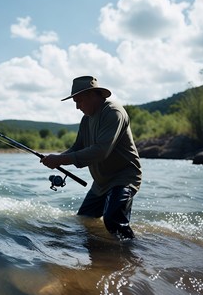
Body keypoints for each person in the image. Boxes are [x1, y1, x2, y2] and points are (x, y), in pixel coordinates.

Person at [41, 76, 142, 239]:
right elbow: (77, 148)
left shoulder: (113, 112)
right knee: (84, 221)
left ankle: (133, 254)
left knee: (114, 222)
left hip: (124, 178)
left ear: (92, 95)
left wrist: (59, 160)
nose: (76, 107)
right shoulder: (86, 119)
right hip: (101, 183)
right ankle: (99, 255)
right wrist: (56, 158)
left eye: (78, 101)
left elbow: (101, 151)